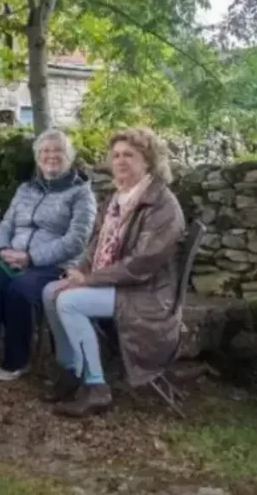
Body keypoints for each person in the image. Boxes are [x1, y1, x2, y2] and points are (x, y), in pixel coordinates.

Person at [42, 127, 185, 418]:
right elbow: (95, 246)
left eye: (129, 155)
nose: (120, 161)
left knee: (69, 302)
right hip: (121, 285)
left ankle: (96, 388)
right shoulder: (120, 197)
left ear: (148, 161)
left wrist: (89, 280)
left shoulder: (161, 205)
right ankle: (71, 370)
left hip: (147, 296)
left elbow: (142, 264)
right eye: (116, 155)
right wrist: (79, 270)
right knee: (50, 292)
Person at [0, 129, 97, 382]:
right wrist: (2, 250)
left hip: (53, 264)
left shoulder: (81, 194)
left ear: (69, 157)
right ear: (38, 158)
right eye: (45, 151)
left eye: (58, 151)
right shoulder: (26, 189)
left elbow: (76, 240)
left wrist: (31, 257)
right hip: (14, 257)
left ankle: (17, 360)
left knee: (19, 289)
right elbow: (6, 224)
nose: (51, 156)